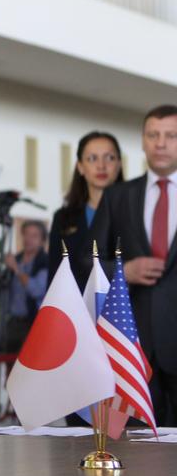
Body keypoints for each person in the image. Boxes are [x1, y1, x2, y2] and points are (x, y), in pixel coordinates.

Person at [93, 105, 177, 425]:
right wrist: (123, 271)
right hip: (131, 346)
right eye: (153, 135)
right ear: (142, 141)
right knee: (135, 451)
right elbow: (89, 259)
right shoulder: (118, 196)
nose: (160, 143)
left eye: (171, 136)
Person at [50, 131, 125, 289]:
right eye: (92, 158)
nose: (101, 166)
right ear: (80, 167)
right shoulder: (63, 218)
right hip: (74, 309)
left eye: (109, 158)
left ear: (119, 164)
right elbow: (54, 275)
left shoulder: (133, 214)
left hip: (119, 308)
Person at [0, 220, 49, 356]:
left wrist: (16, 269)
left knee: (29, 367)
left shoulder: (45, 262)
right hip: (12, 323)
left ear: (42, 241)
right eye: (26, 235)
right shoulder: (16, 259)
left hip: (33, 324)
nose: (29, 239)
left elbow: (36, 290)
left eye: (34, 236)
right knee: (9, 367)